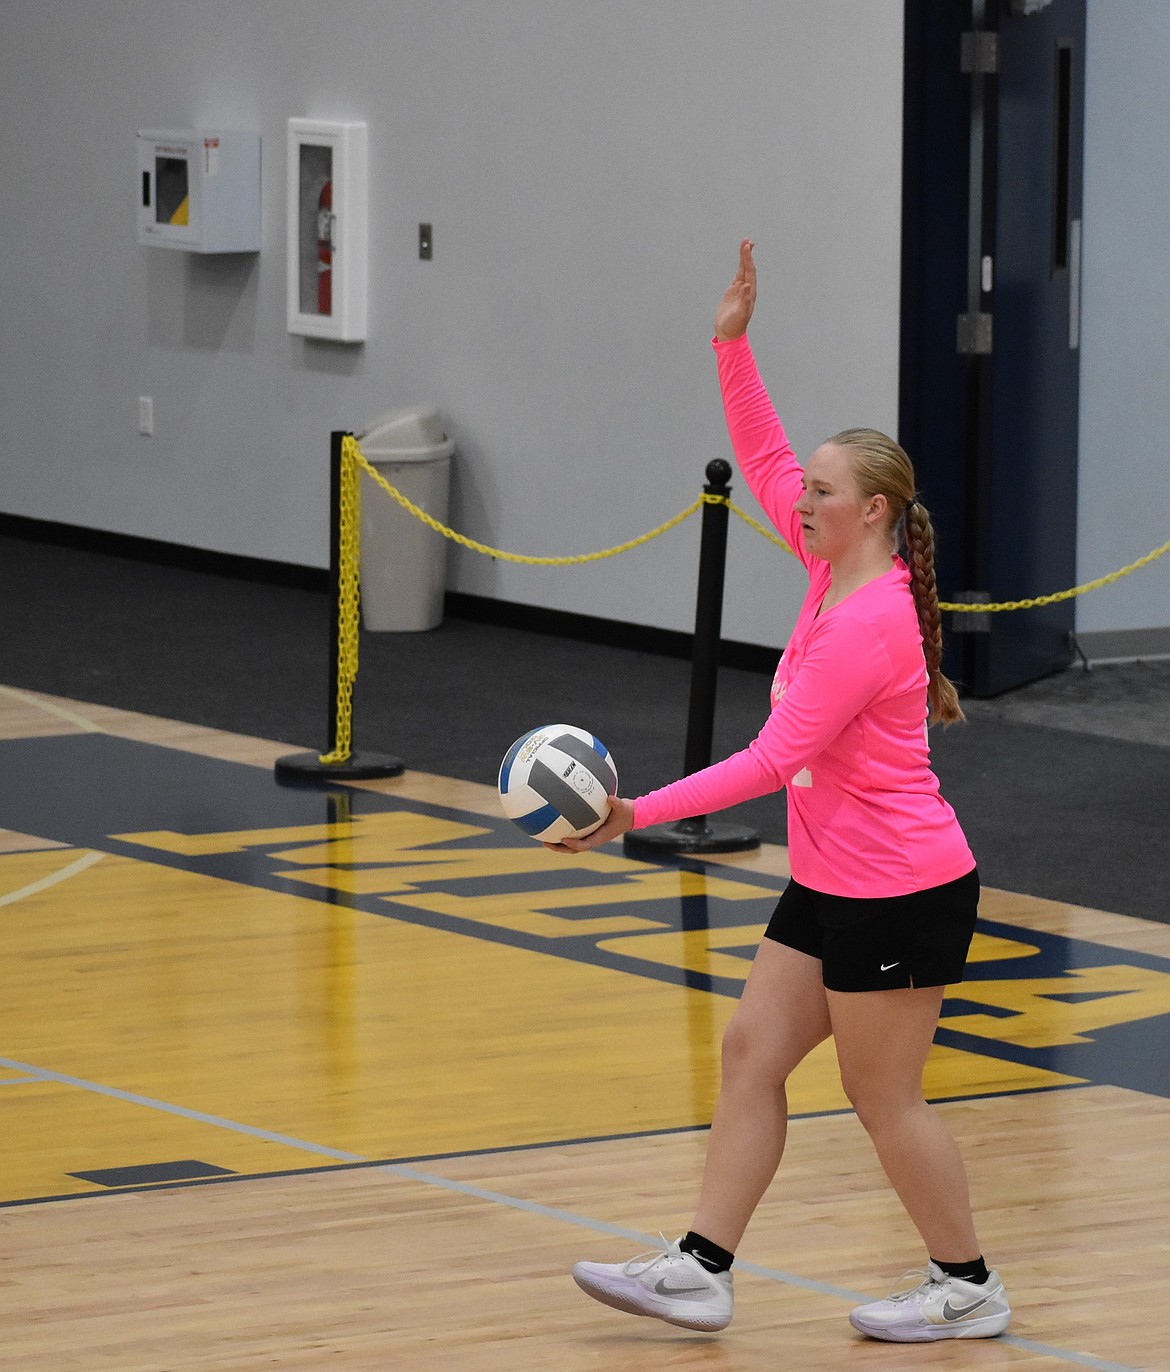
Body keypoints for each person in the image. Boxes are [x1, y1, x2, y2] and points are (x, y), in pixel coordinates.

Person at [549, 240, 1011, 1344]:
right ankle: (701, 1267)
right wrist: (730, 341)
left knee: (880, 1098)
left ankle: (968, 1283)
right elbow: (756, 449)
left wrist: (632, 814)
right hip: (835, 881)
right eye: (805, 486)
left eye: (820, 490)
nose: (798, 497)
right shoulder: (828, 567)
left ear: (872, 512)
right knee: (753, 1052)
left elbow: (766, 761)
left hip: (900, 891)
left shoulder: (869, 623)